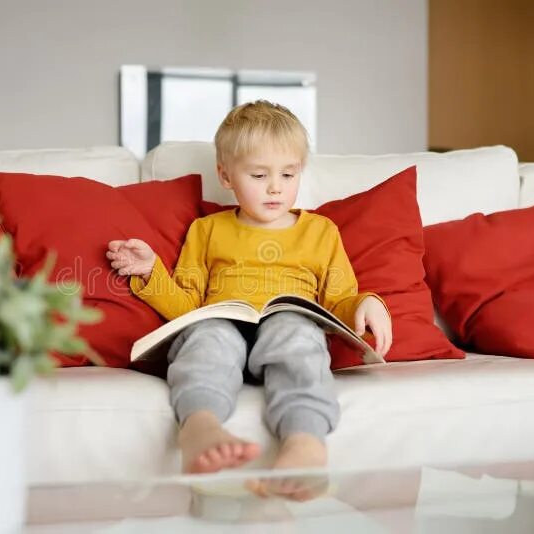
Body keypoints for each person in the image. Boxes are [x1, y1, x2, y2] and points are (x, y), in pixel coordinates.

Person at [106, 100, 392, 500]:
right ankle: (200, 426)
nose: (276, 187)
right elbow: (187, 306)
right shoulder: (207, 231)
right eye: (259, 175)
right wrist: (151, 272)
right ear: (226, 175)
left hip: (288, 325)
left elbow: (339, 300)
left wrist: (367, 303)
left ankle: (305, 441)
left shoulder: (321, 232)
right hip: (222, 324)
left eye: (288, 174)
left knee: (296, 333)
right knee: (208, 336)